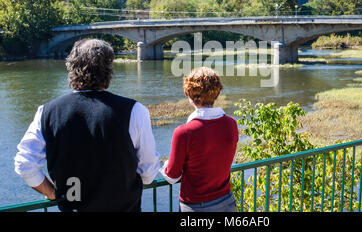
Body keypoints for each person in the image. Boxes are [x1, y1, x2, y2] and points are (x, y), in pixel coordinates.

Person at [14, 39, 160, 212]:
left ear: (71, 68)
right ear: (109, 70)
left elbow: (25, 164)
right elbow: (148, 173)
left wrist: (53, 193)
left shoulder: (46, 112)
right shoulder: (135, 111)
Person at [160, 67, 239, 212]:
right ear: (216, 93)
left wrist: (164, 164)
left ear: (189, 96)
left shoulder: (183, 132)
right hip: (227, 202)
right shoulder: (231, 124)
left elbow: (172, 176)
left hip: (196, 207)